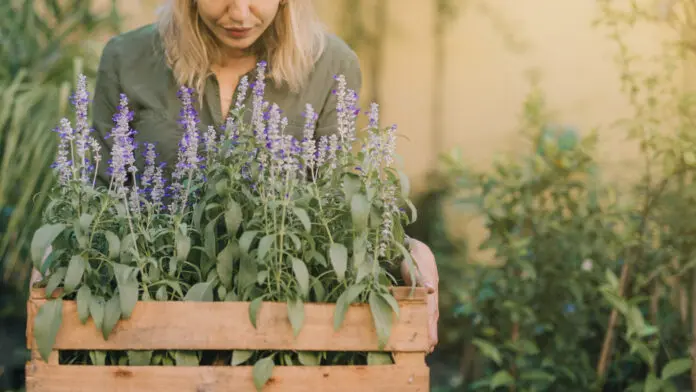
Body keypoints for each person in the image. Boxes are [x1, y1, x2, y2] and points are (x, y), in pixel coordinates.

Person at [40, 0, 440, 352]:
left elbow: (331, 205)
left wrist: (405, 249)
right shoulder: (128, 58)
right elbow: (102, 192)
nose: (240, 12)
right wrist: (57, 251)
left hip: (278, 332)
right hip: (145, 324)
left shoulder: (330, 65)